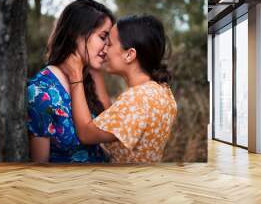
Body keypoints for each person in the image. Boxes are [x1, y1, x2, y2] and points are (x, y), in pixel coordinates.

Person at [61, 15, 177, 163]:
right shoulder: (159, 90)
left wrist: (75, 75)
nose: (104, 49)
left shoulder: (138, 98)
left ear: (129, 55)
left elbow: (85, 133)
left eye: (109, 44)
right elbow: (114, 119)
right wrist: (95, 70)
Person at [27, 0, 115, 163]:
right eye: (103, 37)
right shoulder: (39, 91)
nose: (108, 46)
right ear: (76, 34)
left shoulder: (89, 78)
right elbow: (39, 166)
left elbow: (109, 125)